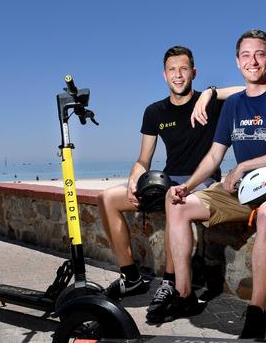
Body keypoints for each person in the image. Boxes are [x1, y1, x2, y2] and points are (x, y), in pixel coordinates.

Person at [150, 30, 266, 339]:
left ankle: (256, 312)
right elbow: (213, 156)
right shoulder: (234, 104)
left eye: (259, 54)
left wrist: (245, 165)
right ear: (238, 62)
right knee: (176, 202)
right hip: (244, 192)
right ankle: (183, 296)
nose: (253, 61)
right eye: (246, 55)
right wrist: (189, 185)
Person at [97, 46, 240, 304]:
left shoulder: (211, 104)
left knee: (173, 201)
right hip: (166, 179)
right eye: (172, 70)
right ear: (164, 75)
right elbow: (143, 159)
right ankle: (131, 278)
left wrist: (211, 93)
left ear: (193, 73)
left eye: (184, 69)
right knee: (107, 198)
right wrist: (133, 179)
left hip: (201, 180)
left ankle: (170, 283)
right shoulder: (154, 112)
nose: (178, 75)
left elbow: (250, 91)